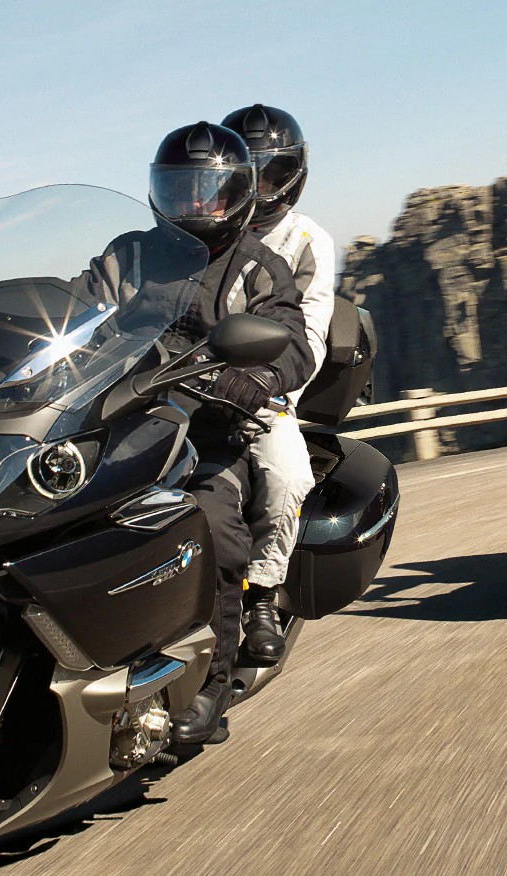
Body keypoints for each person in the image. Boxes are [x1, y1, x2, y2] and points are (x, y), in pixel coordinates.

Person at [95, 121, 314, 744]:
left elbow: (292, 342)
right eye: (181, 189)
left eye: (210, 191)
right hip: (119, 423)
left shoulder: (259, 267)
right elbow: (76, 305)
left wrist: (258, 378)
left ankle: (209, 685)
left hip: (208, 436)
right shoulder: (128, 256)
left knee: (211, 528)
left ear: (239, 194)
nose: (195, 204)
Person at [218, 103, 337, 664]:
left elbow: (309, 332)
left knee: (287, 476)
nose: (262, 187)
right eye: (250, 174)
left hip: (262, 389)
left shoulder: (307, 239)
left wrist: (265, 382)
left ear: (294, 175)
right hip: (185, 379)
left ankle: (263, 594)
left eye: (274, 174)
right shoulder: (207, 226)